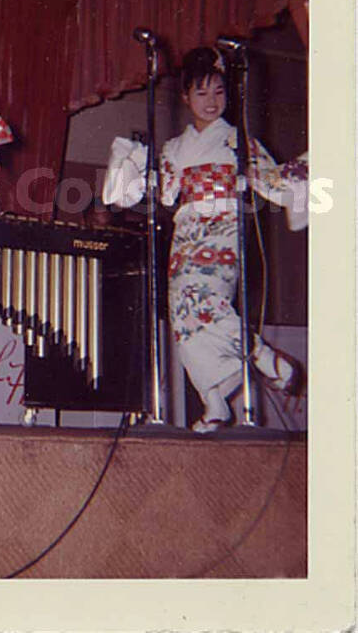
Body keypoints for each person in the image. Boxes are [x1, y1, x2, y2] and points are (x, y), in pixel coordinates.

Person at [103, 46, 307, 433]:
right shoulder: (175, 148)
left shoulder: (237, 140)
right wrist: (129, 165)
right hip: (187, 231)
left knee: (206, 300)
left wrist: (291, 184)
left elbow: (271, 179)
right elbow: (162, 193)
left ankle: (262, 356)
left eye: (218, 92)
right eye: (202, 93)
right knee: (184, 317)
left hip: (225, 226)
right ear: (186, 97)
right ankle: (215, 402)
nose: (212, 102)